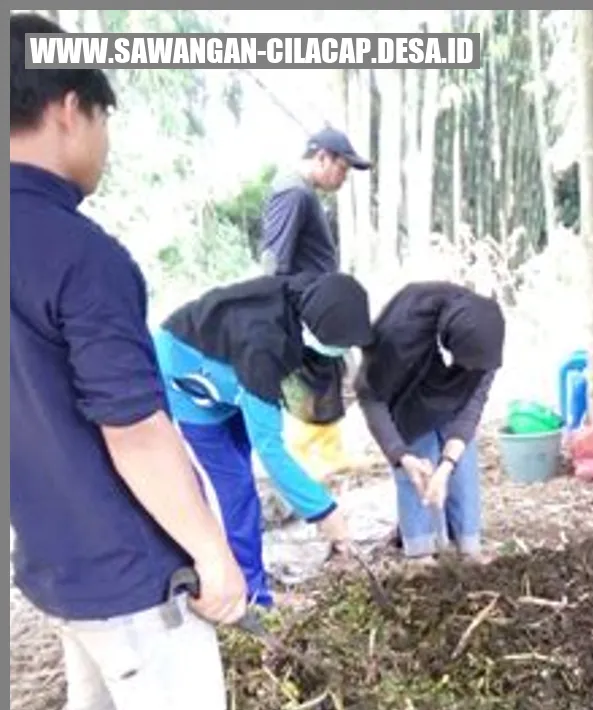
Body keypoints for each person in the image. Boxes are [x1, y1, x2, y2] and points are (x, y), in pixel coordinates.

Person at [10, 13, 272, 710]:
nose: (105, 146)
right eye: (105, 122)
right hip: (128, 567)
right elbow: (135, 431)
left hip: (50, 558)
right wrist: (215, 557)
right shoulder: (80, 256)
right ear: (69, 109)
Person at [152, 271, 374, 608]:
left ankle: (251, 580)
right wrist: (326, 512)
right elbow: (270, 449)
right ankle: (252, 594)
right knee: (236, 486)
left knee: (244, 461)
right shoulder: (263, 347)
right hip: (187, 377)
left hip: (230, 366)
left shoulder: (305, 294)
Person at [355, 281, 506, 563]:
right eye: (469, 365)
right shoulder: (399, 331)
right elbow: (370, 396)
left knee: (461, 475)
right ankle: (420, 552)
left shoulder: (485, 332)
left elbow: (475, 398)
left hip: (455, 400)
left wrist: (448, 463)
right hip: (410, 396)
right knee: (418, 474)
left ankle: (468, 547)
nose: (476, 369)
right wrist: (400, 455)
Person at [260, 126, 373, 479]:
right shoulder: (293, 192)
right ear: (321, 157)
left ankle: (328, 452)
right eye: (342, 168)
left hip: (317, 303)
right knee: (310, 378)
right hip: (302, 305)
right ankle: (310, 458)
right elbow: (273, 258)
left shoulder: (303, 192)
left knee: (326, 374)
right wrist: (274, 309)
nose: (343, 177)